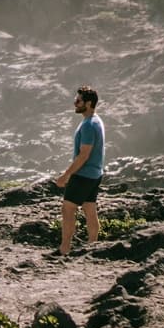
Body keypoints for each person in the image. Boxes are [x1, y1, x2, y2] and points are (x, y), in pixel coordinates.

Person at [54, 86, 105, 256]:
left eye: (78, 101)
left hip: (84, 174)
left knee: (68, 209)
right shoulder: (96, 120)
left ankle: (64, 249)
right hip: (95, 173)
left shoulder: (89, 125)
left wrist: (66, 175)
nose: (74, 104)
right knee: (90, 209)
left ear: (88, 103)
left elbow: (84, 155)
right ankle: (93, 246)